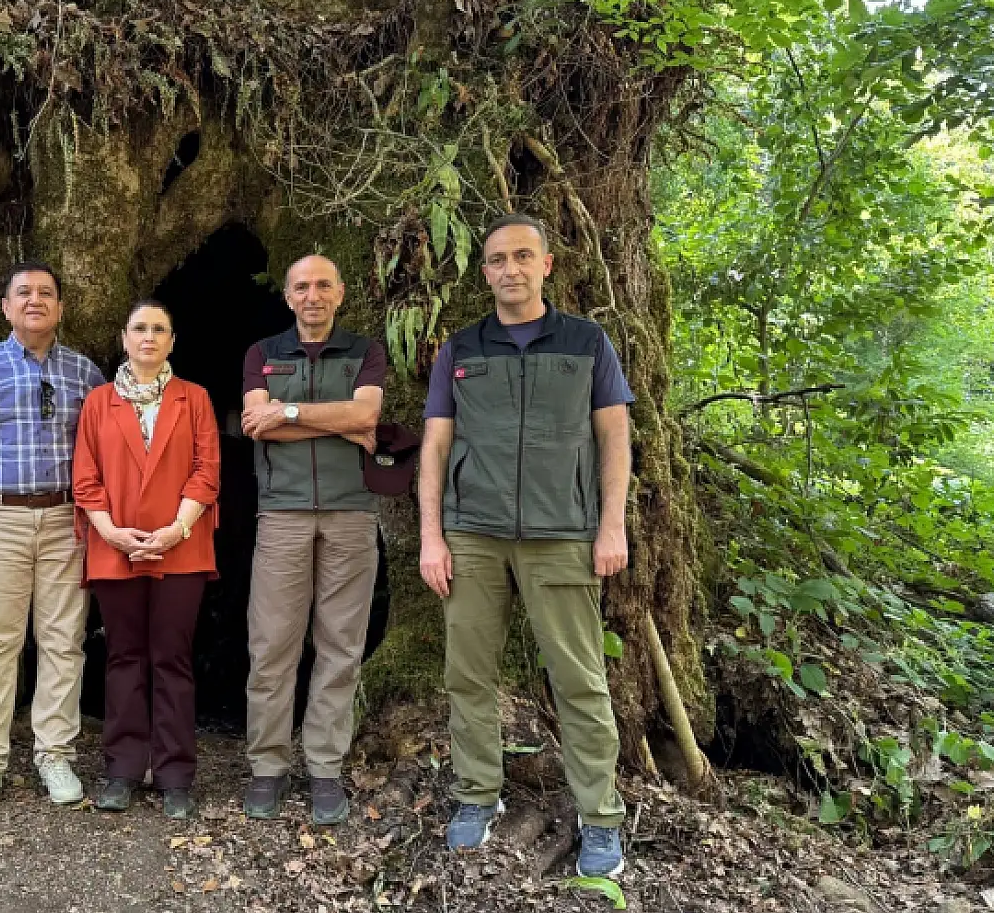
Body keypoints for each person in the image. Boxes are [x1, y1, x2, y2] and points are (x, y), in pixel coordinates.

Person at [417, 214, 633, 878]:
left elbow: (614, 439)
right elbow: (435, 447)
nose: (509, 269)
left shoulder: (586, 343)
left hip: (563, 534)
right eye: (496, 260)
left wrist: (612, 525)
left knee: (580, 680)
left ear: (545, 265)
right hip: (472, 534)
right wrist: (431, 535)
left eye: (522, 256)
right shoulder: (461, 349)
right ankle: (477, 797)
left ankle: (600, 819)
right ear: (484, 272)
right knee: (468, 676)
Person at [0, 261, 106, 810]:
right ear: (6, 306)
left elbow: (110, 452)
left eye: (47, 293)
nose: (35, 300)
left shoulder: (86, 374)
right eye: (24, 293)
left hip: (66, 519)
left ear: (60, 307)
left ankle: (54, 751)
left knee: (64, 640)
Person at [239, 254, 386, 825]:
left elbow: (368, 416)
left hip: (351, 513)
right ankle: (268, 766)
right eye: (301, 286)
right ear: (288, 296)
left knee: (341, 645)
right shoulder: (263, 353)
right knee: (272, 643)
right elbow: (255, 421)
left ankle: (324, 768)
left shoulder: (365, 351)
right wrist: (339, 420)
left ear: (340, 292)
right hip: (282, 514)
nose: (312, 295)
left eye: (324, 284)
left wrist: (291, 411)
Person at [71, 300, 221, 818]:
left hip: (182, 547)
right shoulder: (98, 402)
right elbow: (85, 477)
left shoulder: (194, 399)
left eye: (160, 328)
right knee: (124, 657)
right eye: (140, 328)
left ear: (173, 341)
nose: (150, 337)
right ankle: (122, 769)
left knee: (172, 658)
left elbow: (207, 470)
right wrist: (112, 533)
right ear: (124, 337)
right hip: (115, 549)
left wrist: (176, 529)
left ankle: (177, 773)